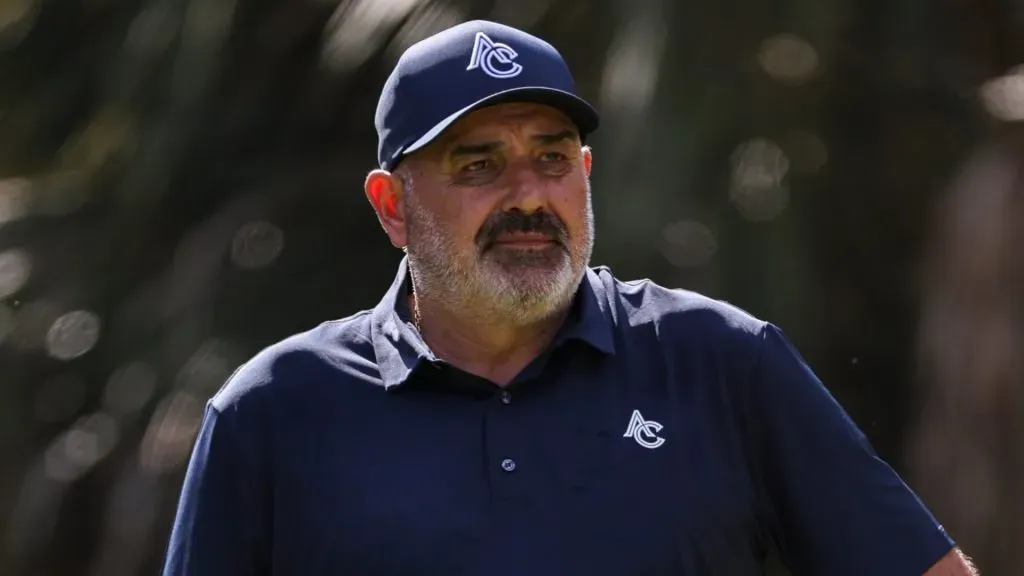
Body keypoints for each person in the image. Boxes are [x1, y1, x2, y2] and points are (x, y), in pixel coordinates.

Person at [162, 20, 978, 576]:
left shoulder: (721, 362)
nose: (528, 195)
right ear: (391, 208)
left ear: (583, 177)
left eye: (551, 159)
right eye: (478, 165)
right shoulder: (274, 413)